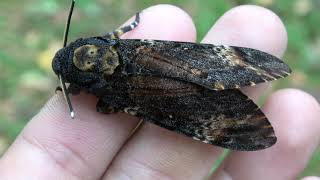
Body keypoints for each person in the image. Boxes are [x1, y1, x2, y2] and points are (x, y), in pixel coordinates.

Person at [0, 4, 319, 180]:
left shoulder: (102, 92)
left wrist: (110, 102)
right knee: (200, 59)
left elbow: (102, 108)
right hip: (155, 58)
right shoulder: (117, 45)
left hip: (147, 97)